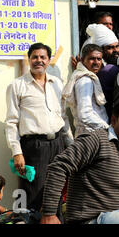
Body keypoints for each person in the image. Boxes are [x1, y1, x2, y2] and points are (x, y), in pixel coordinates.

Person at [5, 43, 73, 213]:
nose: (39, 61)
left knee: (57, 192)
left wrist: (71, 145)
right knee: (35, 194)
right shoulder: (17, 85)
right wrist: (17, 152)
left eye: (43, 57)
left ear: (48, 60)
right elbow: (11, 122)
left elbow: (63, 117)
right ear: (29, 59)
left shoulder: (57, 83)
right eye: (35, 57)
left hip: (58, 144)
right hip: (34, 148)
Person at [62, 44, 110, 137]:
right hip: (90, 134)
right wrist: (107, 128)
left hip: (92, 132)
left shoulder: (89, 76)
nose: (96, 62)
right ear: (83, 60)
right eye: (92, 58)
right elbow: (85, 114)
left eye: (99, 59)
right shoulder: (85, 80)